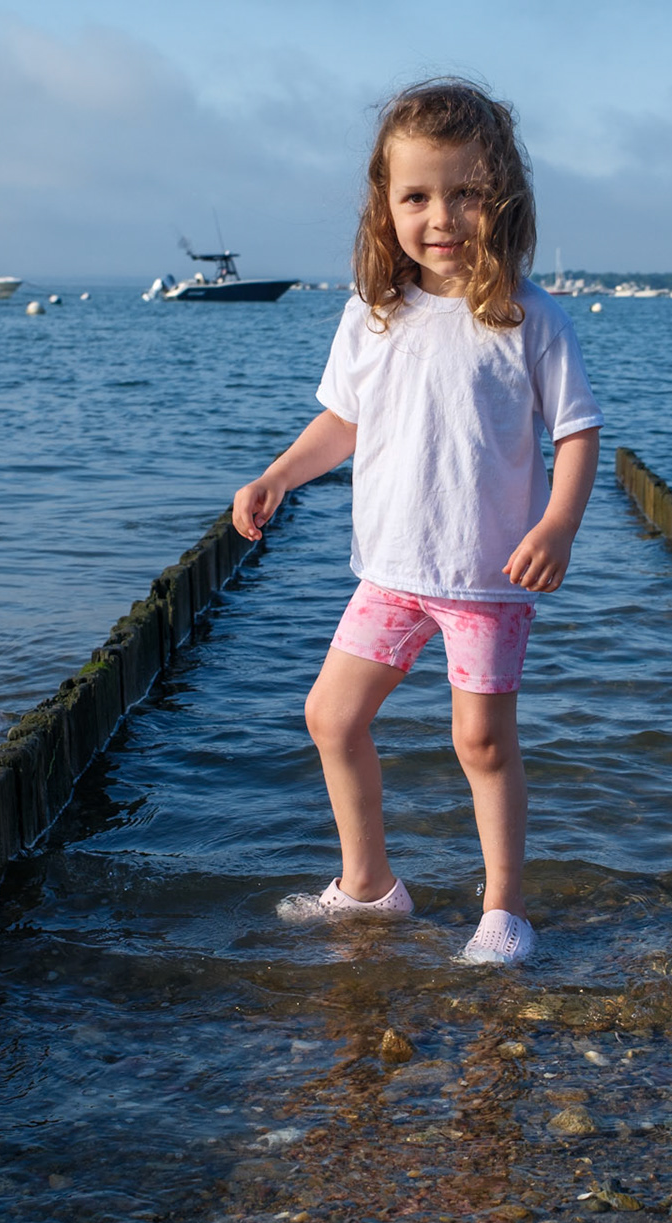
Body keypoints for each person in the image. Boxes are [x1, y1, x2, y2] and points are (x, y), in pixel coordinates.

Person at [231, 78, 603, 965]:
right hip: (391, 570)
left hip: (484, 579)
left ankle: (503, 910)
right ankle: (369, 885)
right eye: (417, 196)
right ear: (385, 203)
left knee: (480, 741)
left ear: (501, 200)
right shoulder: (373, 315)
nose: (442, 215)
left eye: (466, 193)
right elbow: (345, 423)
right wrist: (279, 474)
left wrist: (557, 526)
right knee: (331, 716)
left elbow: (580, 432)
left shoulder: (528, 321)